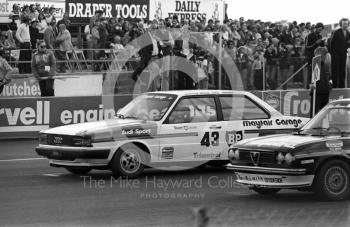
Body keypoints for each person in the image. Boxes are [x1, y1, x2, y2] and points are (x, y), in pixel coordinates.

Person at [310, 47, 332, 117]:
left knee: (320, 114)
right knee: (318, 114)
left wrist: (330, 85)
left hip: (322, 92)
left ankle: (319, 127)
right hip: (320, 91)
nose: (325, 56)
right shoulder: (315, 64)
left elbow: (330, 78)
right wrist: (310, 85)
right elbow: (310, 79)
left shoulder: (325, 64)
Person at [329, 18, 350, 88]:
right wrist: (333, 53)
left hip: (343, 55)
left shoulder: (348, 33)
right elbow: (331, 43)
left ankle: (342, 86)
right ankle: (335, 86)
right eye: (344, 23)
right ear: (341, 24)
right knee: (335, 71)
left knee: (342, 71)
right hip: (335, 55)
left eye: (346, 23)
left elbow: (348, 43)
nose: (345, 25)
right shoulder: (336, 32)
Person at [305, 22, 325, 88]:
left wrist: (323, 44)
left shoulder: (320, 36)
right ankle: (308, 88)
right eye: (319, 29)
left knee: (317, 74)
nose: (320, 30)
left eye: (321, 29)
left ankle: (317, 87)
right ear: (316, 28)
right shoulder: (309, 36)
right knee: (310, 74)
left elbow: (320, 47)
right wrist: (316, 43)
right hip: (311, 58)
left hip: (318, 58)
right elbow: (307, 47)